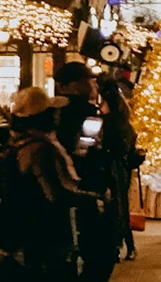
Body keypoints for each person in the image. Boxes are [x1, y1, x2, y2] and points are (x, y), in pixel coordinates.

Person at [0, 86, 105, 281]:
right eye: (51, 112)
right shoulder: (41, 149)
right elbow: (54, 193)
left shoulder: (19, 144)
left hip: (22, 235)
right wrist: (94, 199)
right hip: (44, 235)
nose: (56, 116)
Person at [51, 62, 120, 282]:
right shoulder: (87, 115)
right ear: (73, 85)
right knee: (98, 252)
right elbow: (89, 151)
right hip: (88, 189)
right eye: (89, 80)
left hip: (65, 191)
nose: (94, 84)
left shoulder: (52, 113)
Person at [97, 75, 141, 261]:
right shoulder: (124, 122)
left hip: (113, 166)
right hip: (122, 167)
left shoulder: (109, 123)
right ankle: (124, 245)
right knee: (119, 206)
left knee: (116, 207)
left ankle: (120, 246)